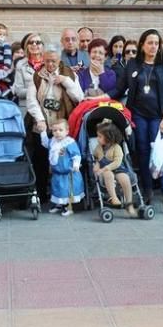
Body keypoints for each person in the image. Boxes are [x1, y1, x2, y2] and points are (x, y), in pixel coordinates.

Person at [111, 29, 163, 210]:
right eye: (150, 43)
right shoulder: (133, 65)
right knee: (142, 151)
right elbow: (119, 90)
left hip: (160, 117)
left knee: (159, 152)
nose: (153, 46)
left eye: (156, 43)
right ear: (142, 45)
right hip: (138, 115)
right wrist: (100, 98)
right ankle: (148, 190)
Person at [26, 42, 83, 201]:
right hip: (43, 124)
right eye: (48, 60)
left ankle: (65, 195)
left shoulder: (69, 74)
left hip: (62, 126)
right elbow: (31, 100)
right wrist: (39, 119)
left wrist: (65, 81)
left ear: (59, 59)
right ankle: (41, 195)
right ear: (43, 59)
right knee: (41, 161)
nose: (50, 64)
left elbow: (79, 97)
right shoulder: (37, 76)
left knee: (63, 161)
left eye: (54, 61)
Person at [92, 120, 136, 217]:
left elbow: (117, 162)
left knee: (125, 178)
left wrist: (104, 169)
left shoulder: (117, 148)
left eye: (99, 136)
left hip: (117, 167)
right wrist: (97, 164)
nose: (97, 139)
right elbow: (96, 157)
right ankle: (114, 197)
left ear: (108, 137)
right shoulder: (98, 148)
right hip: (105, 170)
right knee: (108, 175)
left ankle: (129, 203)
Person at [41, 119, 83, 216]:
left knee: (67, 189)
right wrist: (43, 132)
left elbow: (76, 155)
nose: (57, 133)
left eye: (60, 130)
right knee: (57, 188)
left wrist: (76, 165)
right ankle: (59, 203)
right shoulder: (52, 141)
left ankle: (68, 206)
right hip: (57, 171)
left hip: (68, 172)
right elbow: (45, 143)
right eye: (55, 130)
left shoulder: (69, 143)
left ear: (67, 131)